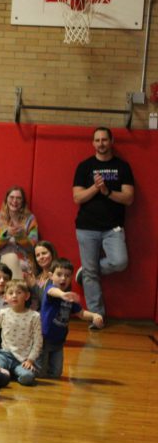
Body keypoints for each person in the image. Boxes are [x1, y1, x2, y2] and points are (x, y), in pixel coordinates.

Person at [72, 126, 135, 327]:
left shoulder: (123, 167)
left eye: (104, 140)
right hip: (86, 227)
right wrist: (95, 188)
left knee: (119, 261)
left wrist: (107, 191)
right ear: (93, 143)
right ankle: (97, 317)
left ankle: (87, 272)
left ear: (111, 141)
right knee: (91, 274)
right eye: (97, 140)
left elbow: (128, 198)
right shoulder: (84, 167)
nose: (101, 144)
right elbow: (77, 197)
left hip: (113, 228)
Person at [39, 258, 103, 378]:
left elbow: (81, 313)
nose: (63, 278)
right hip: (43, 340)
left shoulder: (70, 297)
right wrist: (63, 295)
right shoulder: (51, 290)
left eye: (67, 275)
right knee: (40, 373)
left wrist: (94, 315)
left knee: (56, 373)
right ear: (51, 276)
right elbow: (53, 291)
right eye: (59, 274)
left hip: (59, 341)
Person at [0, 279, 42, 386]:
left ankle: (13, 374)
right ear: (5, 297)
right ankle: (8, 373)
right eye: (10, 293)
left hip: (23, 360)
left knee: (29, 377)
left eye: (19, 293)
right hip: (4, 355)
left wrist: (30, 360)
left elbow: (38, 341)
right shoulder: (3, 313)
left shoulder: (34, 316)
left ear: (27, 296)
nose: (14, 296)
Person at [0, 186, 39, 277]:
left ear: (23, 202)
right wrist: (6, 235)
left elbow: (33, 247)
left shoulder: (30, 219)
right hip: (2, 263)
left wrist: (20, 236)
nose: (15, 201)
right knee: (12, 259)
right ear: (6, 199)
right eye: (11, 197)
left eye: (18, 198)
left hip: (25, 264)